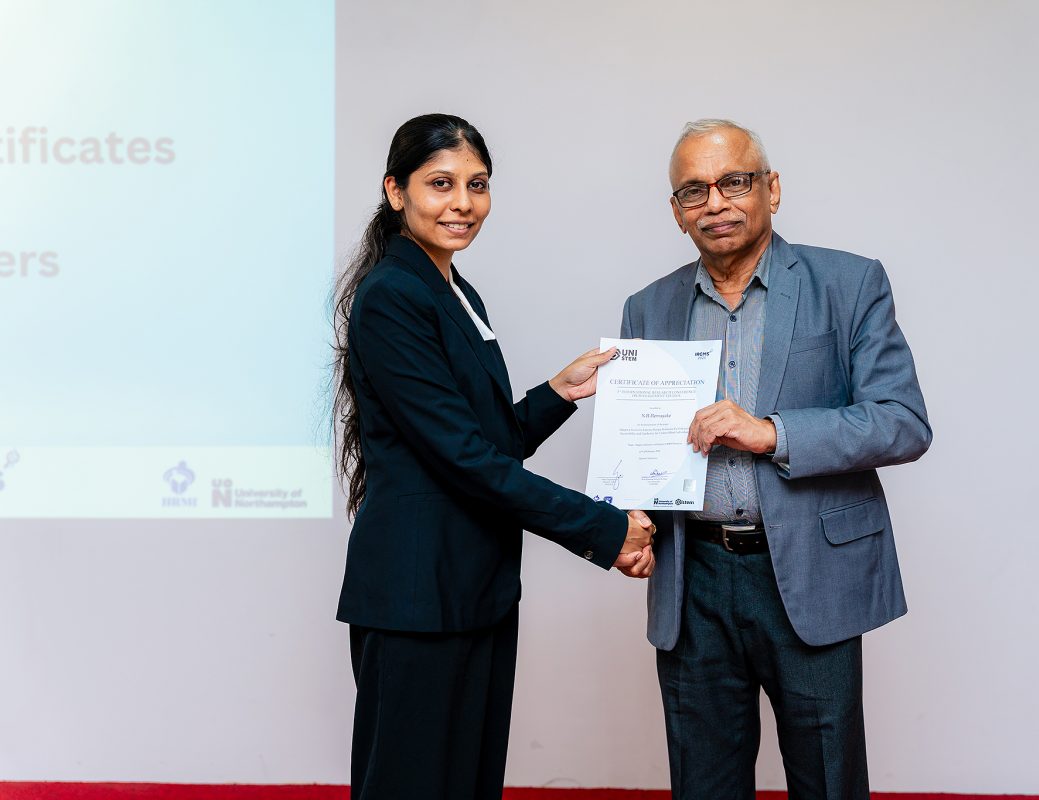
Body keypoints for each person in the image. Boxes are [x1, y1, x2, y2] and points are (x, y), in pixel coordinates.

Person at [332, 113, 656, 800]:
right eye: (441, 183)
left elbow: (480, 441)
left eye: (477, 185)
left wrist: (558, 393)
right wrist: (605, 530)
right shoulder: (393, 295)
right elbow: (463, 460)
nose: (463, 203)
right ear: (395, 191)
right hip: (418, 593)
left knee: (467, 782)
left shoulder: (453, 289)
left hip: (472, 585)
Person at [620, 119, 932, 800]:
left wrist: (771, 433)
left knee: (827, 782)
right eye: (694, 191)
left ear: (773, 189)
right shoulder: (647, 308)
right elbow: (644, 445)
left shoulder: (849, 283)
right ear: (677, 211)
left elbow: (903, 423)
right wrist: (633, 513)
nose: (716, 203)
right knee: (703, 785)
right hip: (692, 580)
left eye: (734, 182)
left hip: (810, 575)